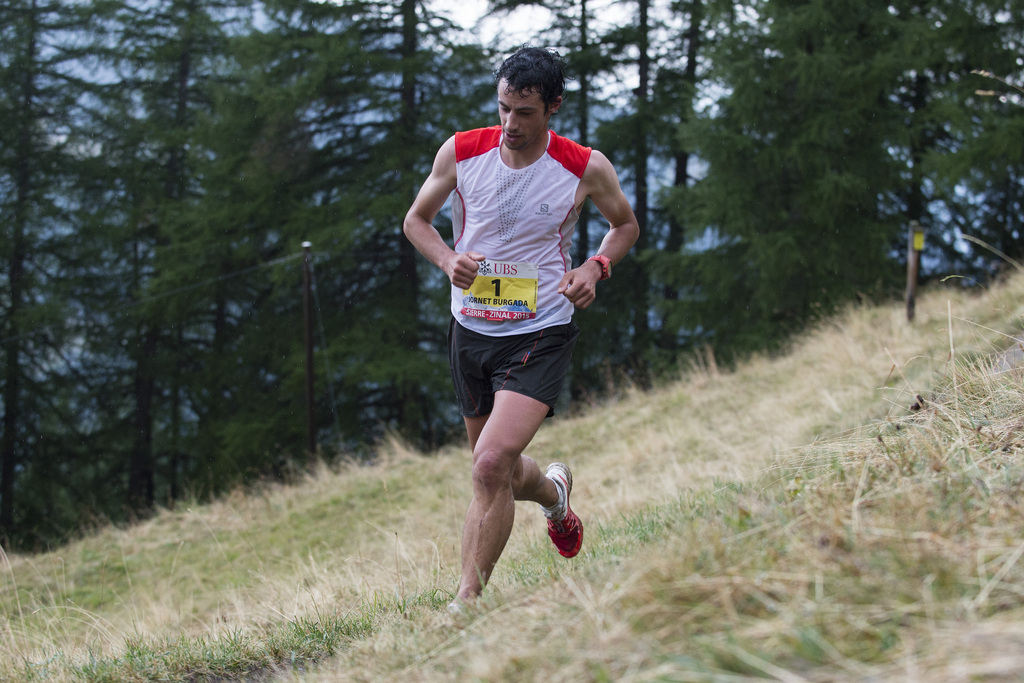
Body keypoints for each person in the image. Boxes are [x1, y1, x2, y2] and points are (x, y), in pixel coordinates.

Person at [403, 45, 639, 610]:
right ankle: (555, 494)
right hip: (472, 329)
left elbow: (624, 225)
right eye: (504, 107)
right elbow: (416, 220)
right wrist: (444, 259)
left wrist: (594, 266)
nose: (511, 123)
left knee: (488, 465)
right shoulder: (462, 152)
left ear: (552, 107)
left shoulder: (584, 166)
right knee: (498, 474)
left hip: (540, 330)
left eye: (525, 112)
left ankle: (465, 603)